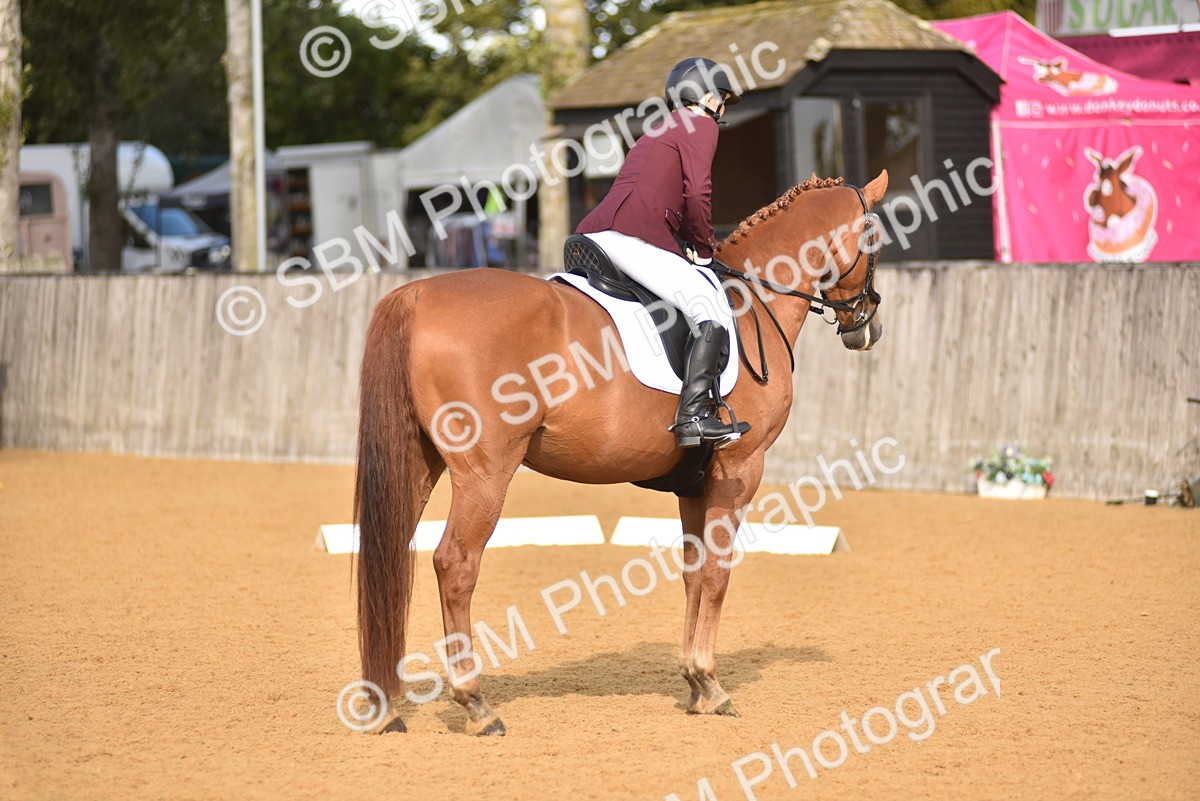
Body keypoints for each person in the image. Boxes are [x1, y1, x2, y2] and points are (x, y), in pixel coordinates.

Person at [576, 57, 749, 449]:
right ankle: (693, 418)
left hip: (596, 232)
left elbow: (663, 195)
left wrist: (685, 240)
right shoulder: (700, 124)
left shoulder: (658, 129)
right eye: (722, 99)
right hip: (632, 238)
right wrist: (704, 247)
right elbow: (697, 193)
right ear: (708, 97)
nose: (722, 109)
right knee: (708, 305)